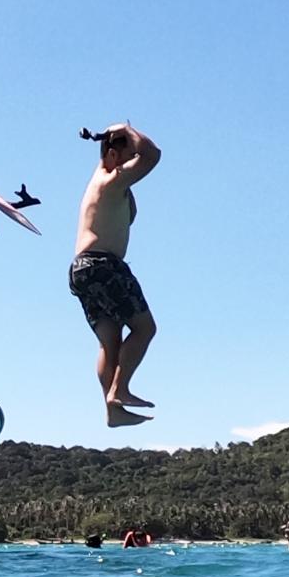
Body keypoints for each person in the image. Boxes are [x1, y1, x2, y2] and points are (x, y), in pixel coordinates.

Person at [71, 123, 162, 427]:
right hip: (103, 266)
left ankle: (113, 409)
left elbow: (128, 215)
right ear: (112, 154)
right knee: (145, 328)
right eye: (127, 155)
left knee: (109, 342)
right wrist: (127, 128)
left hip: (83, 270)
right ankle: (119, 391)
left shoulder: (106, 184)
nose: (132, 163)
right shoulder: (110, 180)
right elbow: (152, 155)